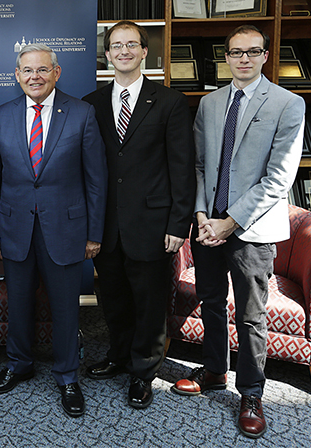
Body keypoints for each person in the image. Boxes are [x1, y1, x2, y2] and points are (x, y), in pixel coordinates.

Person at [171, 25, 305, 439]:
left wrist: (230, 221)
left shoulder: (289, 103)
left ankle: (251, 392)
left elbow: (279, 178)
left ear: (265, 56)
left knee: (250, 315)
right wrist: (199, 216)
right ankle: (214, 370)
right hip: (207, 225)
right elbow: (197, 166)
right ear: (225, 58)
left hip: (251, 228)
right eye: (235, 52)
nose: (243, 59)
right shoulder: (210, 104)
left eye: (252, 52)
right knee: (211, 301)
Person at [0, 43, 108, 417]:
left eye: (42, 70)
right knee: (18, 303)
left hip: (67, 229)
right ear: (16, 75)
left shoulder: (83, 113)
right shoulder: (1, 115)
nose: (34, 77)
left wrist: (94, 234)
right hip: (14, 226)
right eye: (27, 70)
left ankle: (68, 376)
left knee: (66, 308)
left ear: (56, 73)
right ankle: (18, 364)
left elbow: (96, 180)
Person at [82, 21, 195, 409]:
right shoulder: (91, 104)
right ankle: (118, 355)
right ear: (108, 54)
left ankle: (144, 371)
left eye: (132, 44)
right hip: (106, 226)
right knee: (112, 297)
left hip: (152, 224)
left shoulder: (169, 102)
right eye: (117, 45)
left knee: (149, 301)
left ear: (145, 51)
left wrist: (178, 225)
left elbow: (181, 168)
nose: (124, 51)